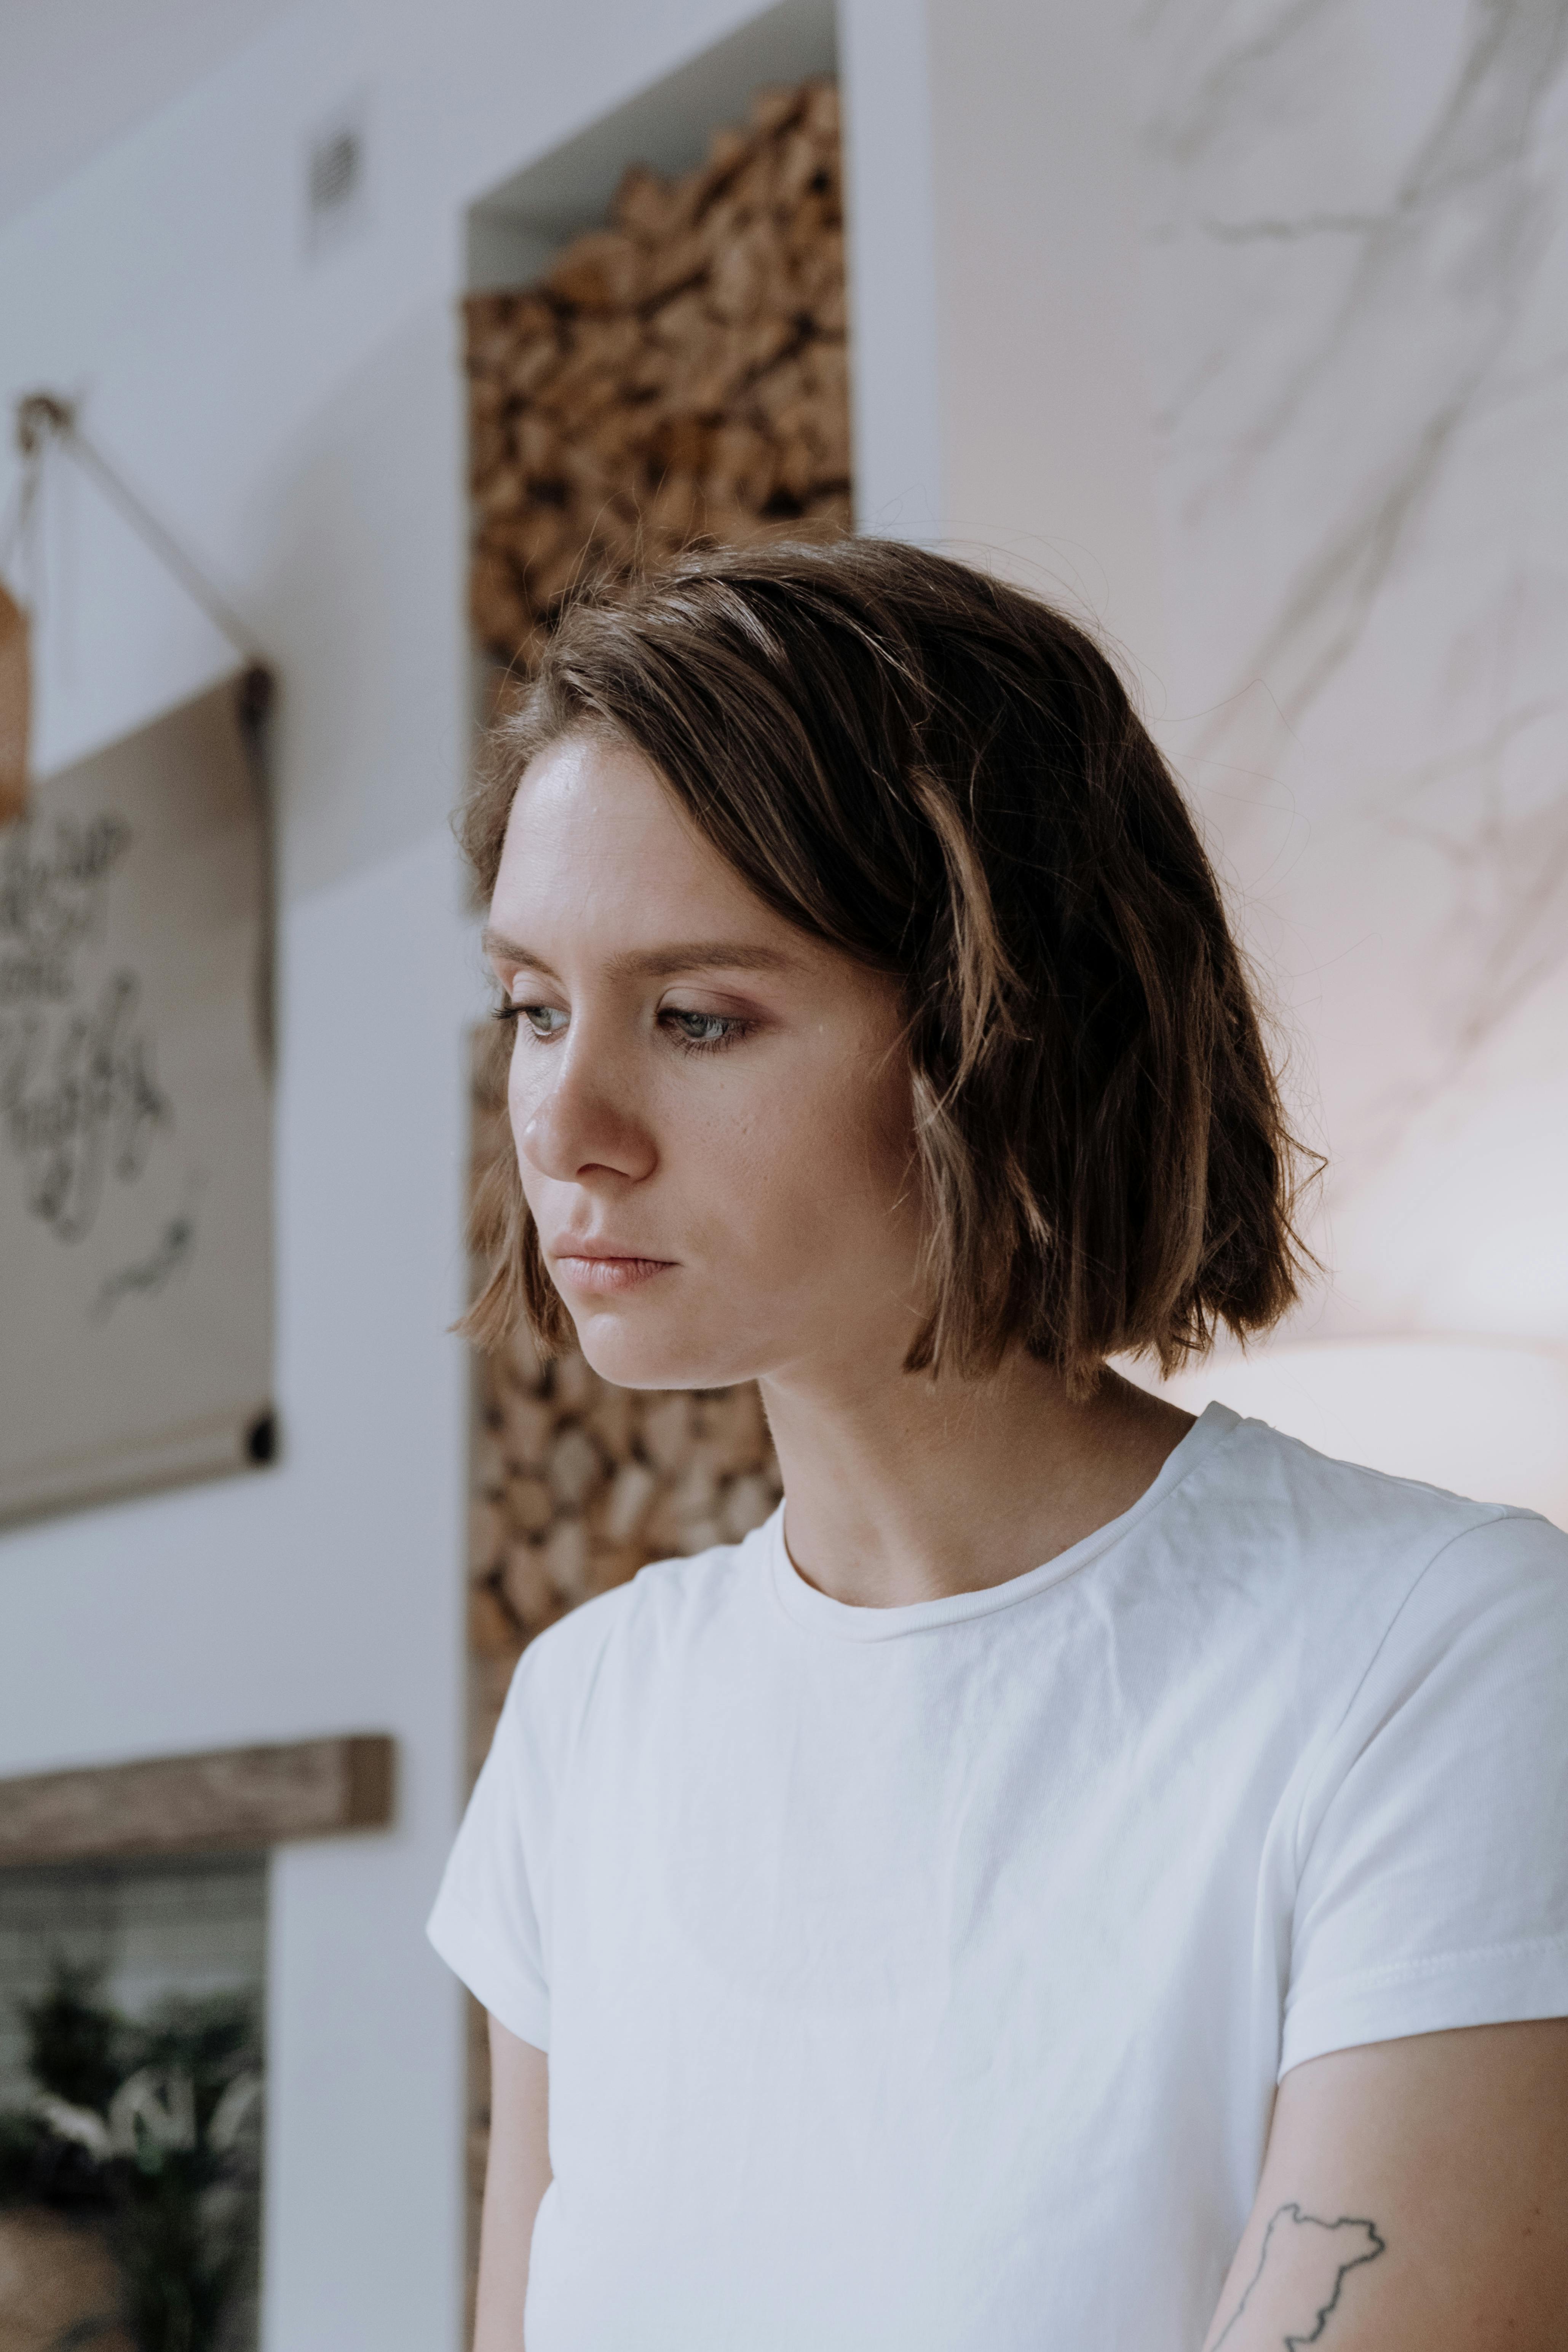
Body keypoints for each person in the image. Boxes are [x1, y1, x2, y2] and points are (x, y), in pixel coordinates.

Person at [428, 538, 1568, 2351]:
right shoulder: (588, 1719)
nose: (565, 1122)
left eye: (699, 1016)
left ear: (1006, 1032)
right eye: (532, 1009)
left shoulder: (1435, 1657)